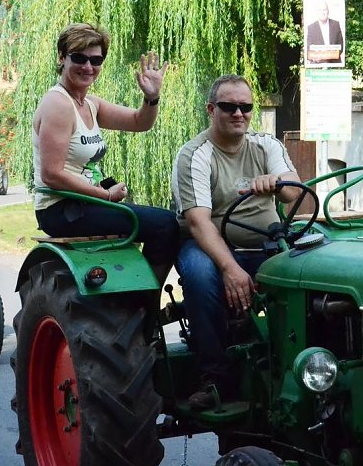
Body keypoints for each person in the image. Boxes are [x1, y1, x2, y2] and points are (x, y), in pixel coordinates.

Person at [171, 74, 302, 409]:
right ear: (211, 109)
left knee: (316, 261)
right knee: (200, 275)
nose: (238, 114)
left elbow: (300, 199)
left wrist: (277, 183)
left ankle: (304, 365)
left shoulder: (267, 145)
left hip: (268, 243)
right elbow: (199, 224)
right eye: (229, 106)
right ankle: (214, 376)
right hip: (212, 247)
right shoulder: (195, 155)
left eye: (245, 107)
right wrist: (229, 267)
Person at [33, 22, 179, 273]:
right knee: (165, 224)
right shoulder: (58, 104)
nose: (88, 67)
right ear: (61, 57)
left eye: (96, 60)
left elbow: (139, 122)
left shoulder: (90, 103)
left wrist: (152, 97)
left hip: (84, 204)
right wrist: (106, 195)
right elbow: (52, 175)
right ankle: (145, 303)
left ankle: (134, 297)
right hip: (60, 210)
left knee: (165, 220)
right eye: (79, 58)